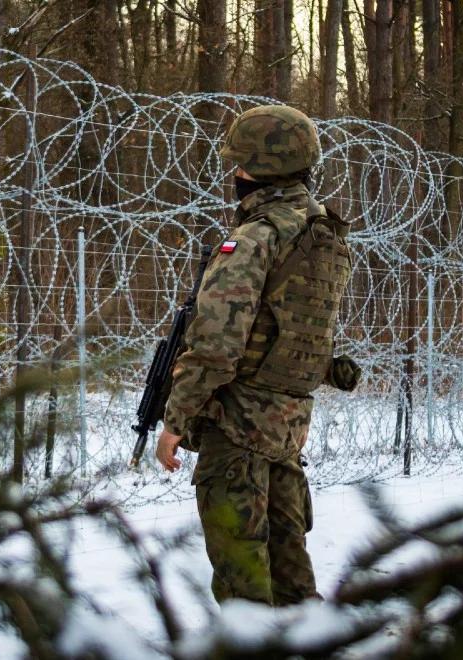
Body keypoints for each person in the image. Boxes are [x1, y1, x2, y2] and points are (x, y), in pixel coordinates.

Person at [155, 104, 358, 606]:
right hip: (288, 424)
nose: (236, 175)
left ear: (263, 170)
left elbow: (216, 347)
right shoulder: (325, 233)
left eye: (242, 165)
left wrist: (175, 421)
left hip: (239, 424)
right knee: (290, 566)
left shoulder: (256, 237)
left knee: (241, 572)